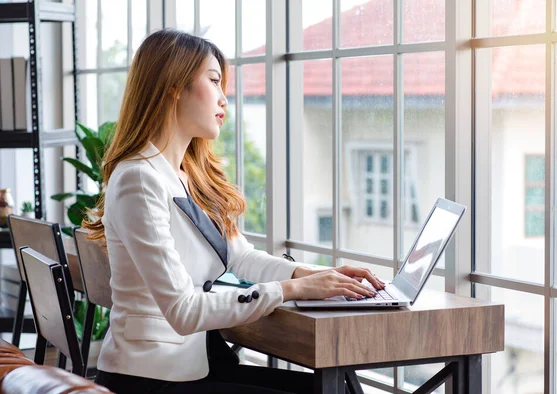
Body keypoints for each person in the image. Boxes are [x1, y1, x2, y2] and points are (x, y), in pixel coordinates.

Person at [83, 28, 385, 394]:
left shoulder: (184, 175)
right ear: (173, 86)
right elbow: (184, 311)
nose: (224, 99)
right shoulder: (138, 179)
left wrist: (320, 275)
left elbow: (243, 258)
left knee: (334, 388)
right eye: (213, 81)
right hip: (150, 380)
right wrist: (293, 288)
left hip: (195, 366)